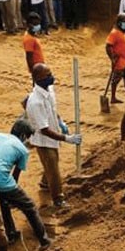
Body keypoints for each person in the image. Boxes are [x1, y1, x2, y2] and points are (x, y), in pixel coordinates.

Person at [0, 119, 52, 250]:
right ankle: (44, 241)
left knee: (4, 201)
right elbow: (15, 176)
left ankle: (11, 234)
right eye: (28, 136)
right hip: (2, 181)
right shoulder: (22, 150)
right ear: (23, 135)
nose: (27, 140)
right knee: (30, 207)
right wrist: (13, 194)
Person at [25, 63, 83, 208]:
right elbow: (44, 130)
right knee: (53, 167)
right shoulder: (35, 102)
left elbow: (53, 108)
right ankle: (58, 198)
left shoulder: (49, 90)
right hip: (43, 140)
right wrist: (66, 138)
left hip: (53, 132)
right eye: (48, 75)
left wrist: (60, 122)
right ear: (38, 78)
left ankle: (45, 183)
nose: (51, 78)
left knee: (52, 162)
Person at [105, 13, 125, 105]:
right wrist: (112, 58)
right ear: (119, 23)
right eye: (124, 22)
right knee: (122, 78)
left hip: (124, 60)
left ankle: (115, 97)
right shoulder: (114, 33)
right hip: (119, 61)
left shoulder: (122, 33)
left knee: (123, 79)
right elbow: (108, 46)